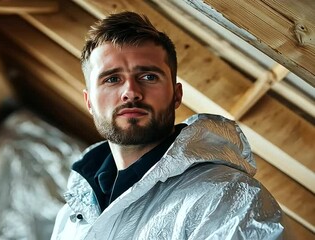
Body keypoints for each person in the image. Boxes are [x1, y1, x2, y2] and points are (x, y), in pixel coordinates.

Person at [51, 11, 284, 240]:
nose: (130, 92)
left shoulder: (225, 198)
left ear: (176, 95)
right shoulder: (74, 212)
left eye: (149, 77)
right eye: (112, 79)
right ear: (89, 101)